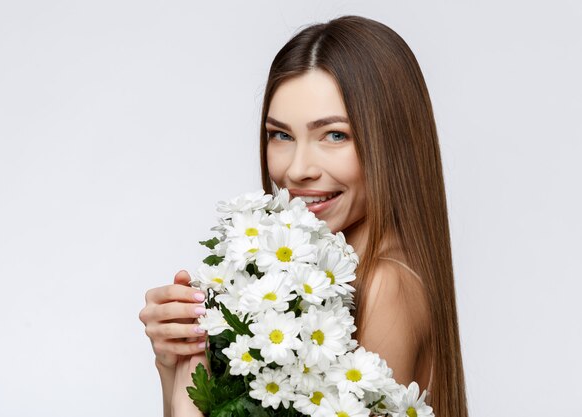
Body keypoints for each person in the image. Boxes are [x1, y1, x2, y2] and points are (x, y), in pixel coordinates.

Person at [139, 15, 469, 417]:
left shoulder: (386, 285)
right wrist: (177, 367)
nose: (297, 170)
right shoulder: (297, 280)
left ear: (391, 143)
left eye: (334, 135)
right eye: (281, 135)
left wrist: (186, 405)